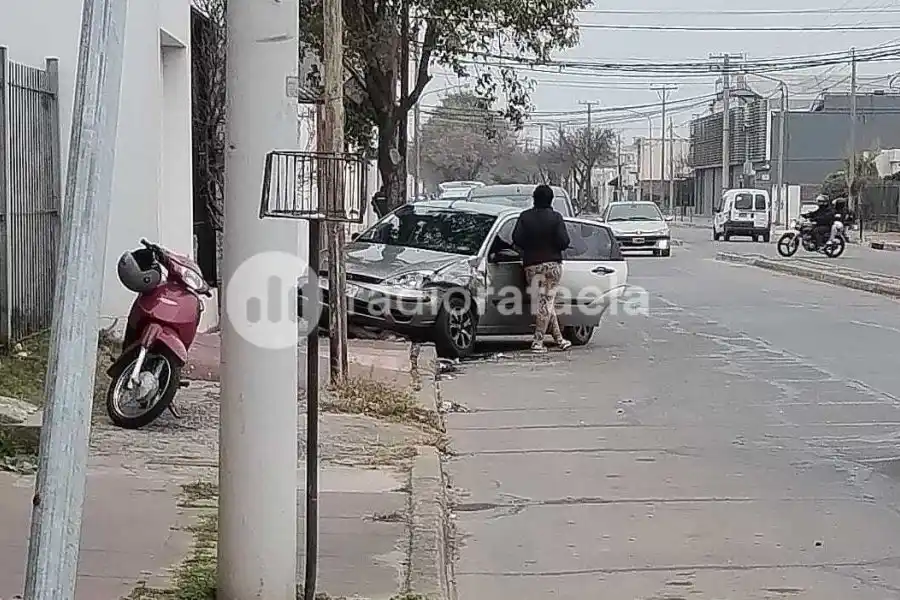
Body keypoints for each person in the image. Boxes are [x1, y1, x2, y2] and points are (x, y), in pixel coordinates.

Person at [512, 184, 572, 353]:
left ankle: (560, 340)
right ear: (551, 199)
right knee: (546, 303)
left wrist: (530, 247)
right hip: (552, 265)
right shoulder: (556, 217)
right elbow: (564, 242)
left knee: (544, 303)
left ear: (534, 198)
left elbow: (516, 238)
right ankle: (538, 342)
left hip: (531, 265)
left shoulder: (525, 217)